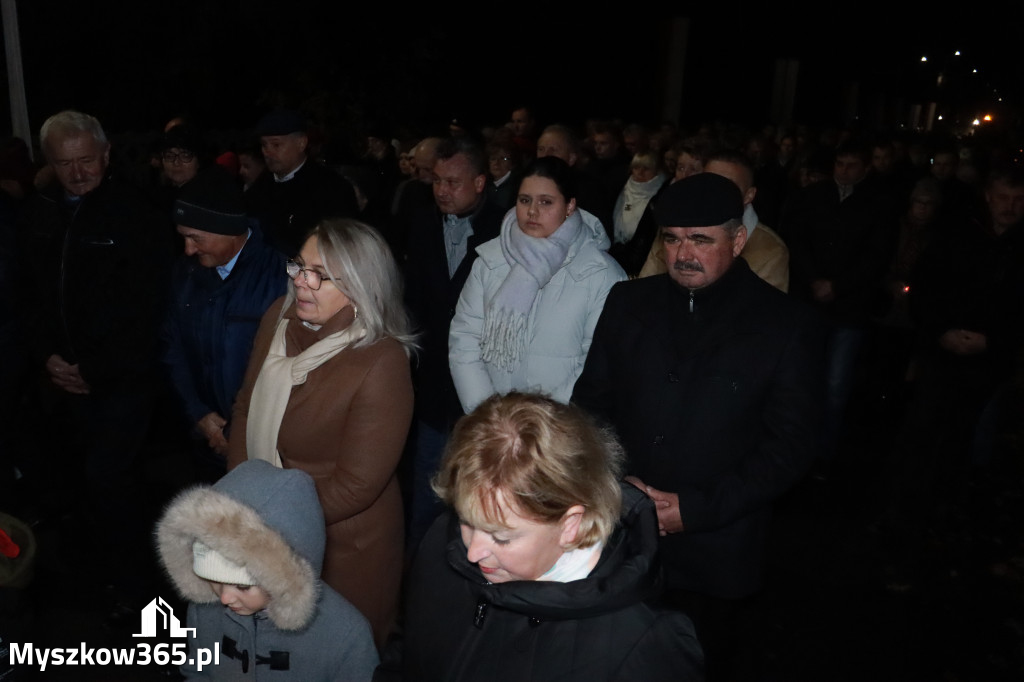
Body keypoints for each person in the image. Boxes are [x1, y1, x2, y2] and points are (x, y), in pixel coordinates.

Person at [572, 172, 823, 680]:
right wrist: (619, 488)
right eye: (672, 238)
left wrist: (696, 508)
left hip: (718, 548)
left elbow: (791, 445)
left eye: (701, 239)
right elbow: (590, 407)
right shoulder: (628, 302)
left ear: (737, 240)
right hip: (622, 530)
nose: (683, 253)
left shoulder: (785, 324)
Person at [403, 392, 704, 681]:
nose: (471, 552)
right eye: (467, 522)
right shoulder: (440, 544)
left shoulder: (645, 643)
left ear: (571, 524)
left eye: (502, 538)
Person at [227, 219, 415, 649]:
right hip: (262, 524)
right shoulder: (278, 316)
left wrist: (270, 520)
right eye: (298, 267)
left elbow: (356, 487)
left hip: (343, 549)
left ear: (361, 284)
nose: (301, 283)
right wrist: (240, 494)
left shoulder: (381, 359)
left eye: (320, 275)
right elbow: (244, 409)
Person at [156, 459, 379, 681]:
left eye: (242, 586)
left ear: (285, 580)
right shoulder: (204, 612)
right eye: (212, 579)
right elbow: (199, 673)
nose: (224, 597)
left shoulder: (346, 635)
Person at [449, 156, 625, 414]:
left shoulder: (600, 273)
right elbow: (465, 340)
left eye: (546, 202)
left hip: (561, 430)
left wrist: (542, 423)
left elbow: (597, 364)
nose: (532, 211)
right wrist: (487, 415)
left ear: (570, 206)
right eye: (524, 200)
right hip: (494, 424)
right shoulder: (490, 260)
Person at [403, 136, 504, 546]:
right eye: (437, 180)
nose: (442, 190)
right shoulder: (420, 223)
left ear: (480, 182)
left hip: (483, 385)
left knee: (481, 504)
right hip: (430, 389)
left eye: (453, 182)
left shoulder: (506, 230)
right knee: (427, 496)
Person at [161, 169, 286, 481]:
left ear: (229, 230)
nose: (188, 249)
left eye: (195, 238)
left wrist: (237, 431)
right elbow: (171, 346)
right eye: (183, 237)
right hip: (204, 440)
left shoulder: (284, 276)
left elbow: (288, 367)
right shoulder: (185, 273)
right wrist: (199, 415)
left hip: (264, 446)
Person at [244, 109, 358, 255]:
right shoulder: (258, 190)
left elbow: (343, 246)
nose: (268, 152)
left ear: (301, 143)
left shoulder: (332, 188)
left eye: (276, 145)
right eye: (264, 145)